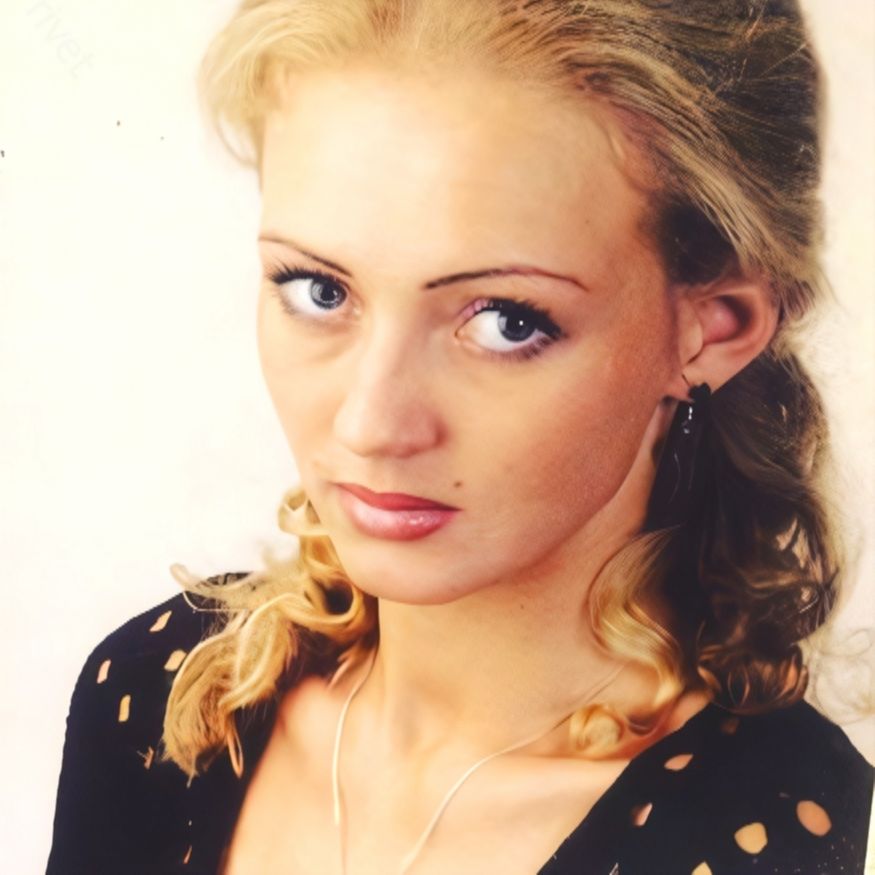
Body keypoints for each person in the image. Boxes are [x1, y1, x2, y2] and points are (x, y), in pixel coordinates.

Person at [46, 0, 874, 873]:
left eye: (507, 320)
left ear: (712, 327)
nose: (369, 423)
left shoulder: (791, 845)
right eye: (319, 289)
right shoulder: (165, 696)